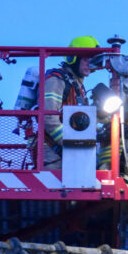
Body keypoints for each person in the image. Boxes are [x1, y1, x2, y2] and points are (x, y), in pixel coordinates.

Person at [43, 35, 98, 169]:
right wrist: (72, 143)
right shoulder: (56, 80)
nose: (89, 63)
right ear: (73, 59)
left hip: (66, 152)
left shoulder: (77, 86)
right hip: (51, 154)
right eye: (85, 59)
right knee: (53, 189)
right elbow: (48, 118)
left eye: (92, 59)